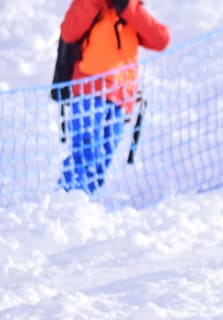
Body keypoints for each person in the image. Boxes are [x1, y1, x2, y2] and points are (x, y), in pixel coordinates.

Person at [58, 0, 170, 193]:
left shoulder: (133, 9)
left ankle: (82, 203)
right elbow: (69, 32)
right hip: (88, 88)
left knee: (103, 158)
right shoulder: (87, 4)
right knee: (85, 148)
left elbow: (160, 39)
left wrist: (127, 7)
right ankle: (68, 197)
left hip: (121, 96)